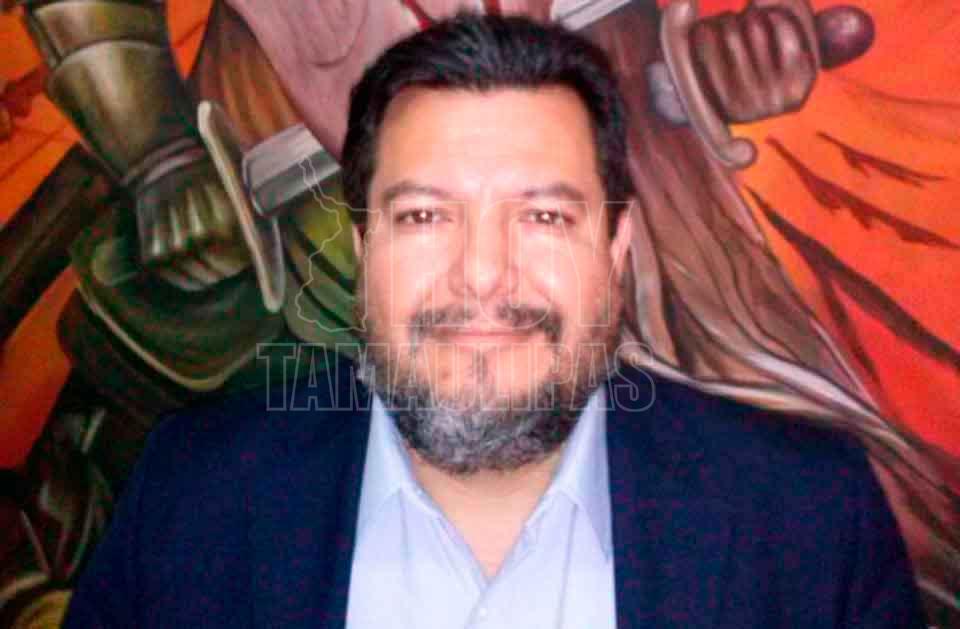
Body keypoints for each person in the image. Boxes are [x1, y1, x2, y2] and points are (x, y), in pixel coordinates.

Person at [63, 12, 923, 628]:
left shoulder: (812, 522)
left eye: (543, 216)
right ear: (364, 248)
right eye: (424, 216)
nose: (481, 273)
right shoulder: (192, 499)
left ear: (616, 246)